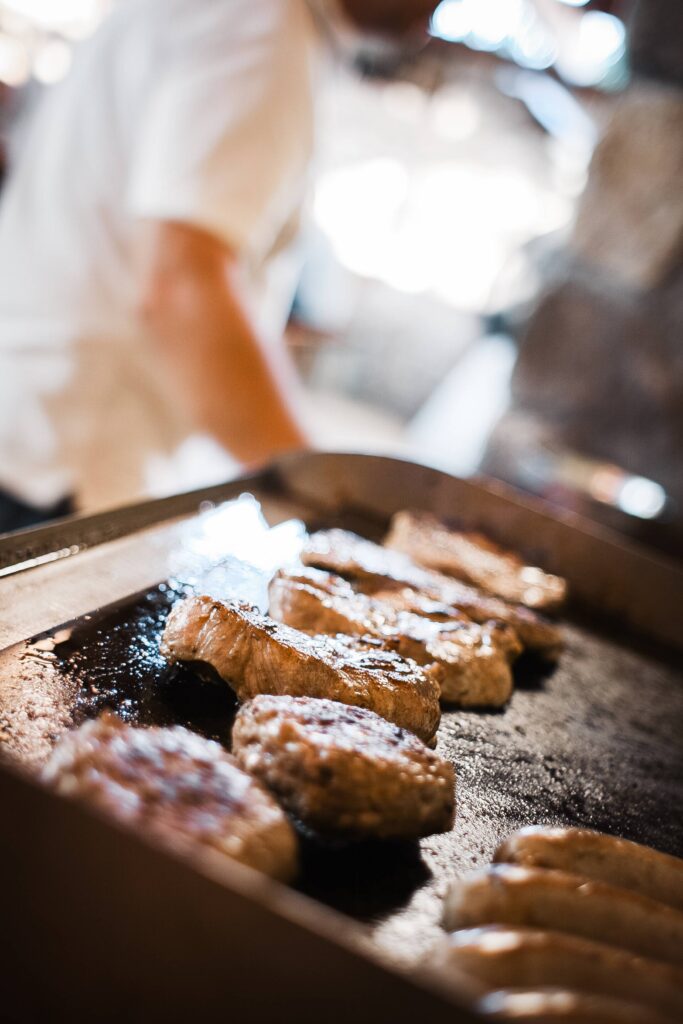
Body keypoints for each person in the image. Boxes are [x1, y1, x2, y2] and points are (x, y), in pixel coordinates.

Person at [0, 0, 436, 532]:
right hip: (64, 457)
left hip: (31, 419)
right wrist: (328, 502)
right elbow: (184, 288)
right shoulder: (261, 24)